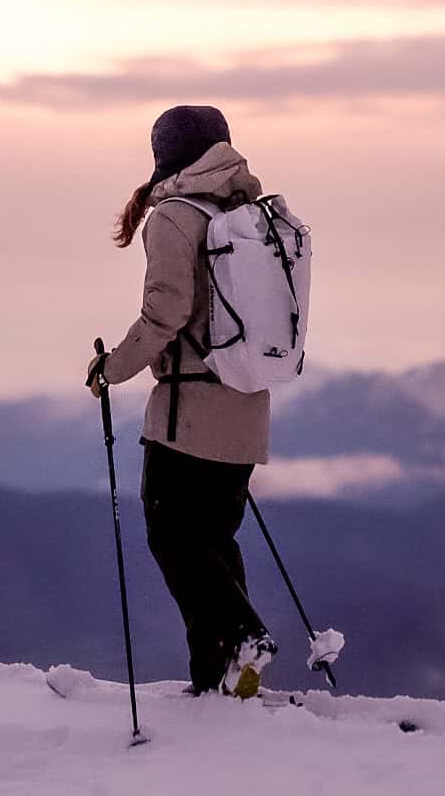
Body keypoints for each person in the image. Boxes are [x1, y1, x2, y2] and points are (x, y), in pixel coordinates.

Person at [86, 105, 277, 698]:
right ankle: (218, 679)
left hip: (188, 413)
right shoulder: (249, 215)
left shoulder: (174, 217)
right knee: (213, 542)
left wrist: (111, 370)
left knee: (173, 537)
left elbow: (164, 314)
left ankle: (244, 637)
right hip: (247, 408)